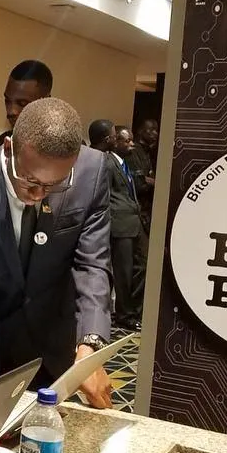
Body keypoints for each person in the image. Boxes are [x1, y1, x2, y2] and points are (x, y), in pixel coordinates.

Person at [0, 98, 113, 407]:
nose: (39, 195)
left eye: (55, 185)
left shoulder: (91, 171)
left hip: (58, 348)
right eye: (30, 180)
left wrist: (89, 349)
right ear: (8, 149)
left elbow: (92, 265)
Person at [91, 121, 147, 330]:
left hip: (134, 221)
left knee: (141, 266)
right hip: (120, 225)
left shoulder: (124, 163)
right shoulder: (107, 163)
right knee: (123, 272)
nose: (132, 144)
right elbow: (104, 195)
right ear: (115, 142)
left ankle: (135, 310)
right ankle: (125, 314)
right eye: (126, 140)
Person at [0, 59, 54, 148]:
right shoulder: (2, 143)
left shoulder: (65, 149)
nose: (11, 111)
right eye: (7, 101)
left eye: (22, 103)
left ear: (46, 103)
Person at [126, 118, 159, 232]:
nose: (155, 133)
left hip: (145, 207)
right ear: (141, 131)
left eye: (156, 130)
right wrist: (157, 184)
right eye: (151, 130)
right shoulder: (133, 151)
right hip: (135, 206)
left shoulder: (147, 151)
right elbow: (138, 180)